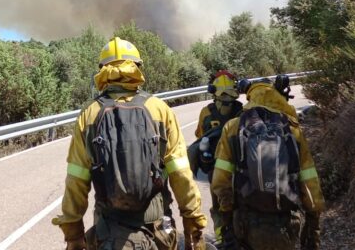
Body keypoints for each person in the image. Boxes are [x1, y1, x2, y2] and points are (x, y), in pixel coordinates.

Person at [52, 37, 207, 250]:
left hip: (108, 233)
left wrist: (73, 233)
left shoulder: (90, 115)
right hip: (158, 231)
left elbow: (76, 180)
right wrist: (193, 221)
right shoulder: (159, 109)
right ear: (138, 68)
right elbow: (180, 173)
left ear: (102, 71)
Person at [211, 77, 324, 250]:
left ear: (250, 97)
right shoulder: (293, 129)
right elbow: (310, 182)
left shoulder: (233, 127)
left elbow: (220, 181)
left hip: (245, 223)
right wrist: (313, 226)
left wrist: (227, 221)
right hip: (286, 224)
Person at [187, 70, 243, 242]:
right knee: (240, 202)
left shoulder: (207, 112)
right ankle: (241, 236)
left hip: (215, 168)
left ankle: (221, 238)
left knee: (218, 205)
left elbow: (200, 135)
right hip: (239, 166)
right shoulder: (242, 110)